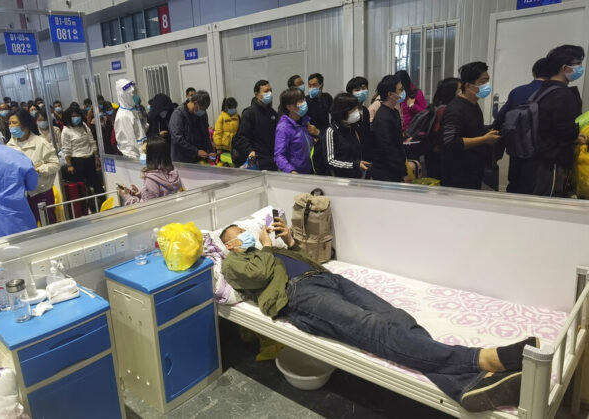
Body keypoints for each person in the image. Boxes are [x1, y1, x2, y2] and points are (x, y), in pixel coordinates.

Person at [219, 219, 538, 412]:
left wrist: (286, 241)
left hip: (328, 278)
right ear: (230, 244)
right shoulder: (232, 264)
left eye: (246, 230)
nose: (246, 233)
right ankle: (485, 359)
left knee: (395, 318)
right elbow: (260, 276)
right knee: (371, 327)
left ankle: (463, 387)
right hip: (300, 294)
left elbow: (307, 258)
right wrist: (260, 247)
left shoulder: (270, 249)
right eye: (239, 233)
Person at [518, 45, 584, 197]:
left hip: (534, 160)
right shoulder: (563, 94)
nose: (580, 68)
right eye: (577, 64)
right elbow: (564, 131)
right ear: (564, 68)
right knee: (549, 203)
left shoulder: (541, 91)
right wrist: (577, 138)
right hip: (551, 163)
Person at [492, 58, 551, 193]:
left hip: (517, 147)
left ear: (534, 72)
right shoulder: (556, 92)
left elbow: (501, 118)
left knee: (515, 184)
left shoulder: (517, 91)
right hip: (542, 152)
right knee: (538, 189)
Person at [441, 62, 500, 189]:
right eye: (483, 82)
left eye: (488, 81)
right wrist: (484, 140)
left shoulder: (473, 104)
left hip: (474, 170)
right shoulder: (455, 109)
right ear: (467, 85)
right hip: (458, 175)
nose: (487, 86)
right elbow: (450, 142)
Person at [7, 111, 60, 225]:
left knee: (49, 224)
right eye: (9, 123)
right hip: (20, 195)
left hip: (41, 192)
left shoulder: (41, 143)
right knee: (27, 227)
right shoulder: (9, 146)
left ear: (25, 124)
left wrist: (38, 170)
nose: (11, 126)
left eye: (14, 123)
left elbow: (55, 164)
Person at [117, 135, 184, 205]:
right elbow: (160, 196)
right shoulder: (173, 172)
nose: (142, 155)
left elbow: (147, 208)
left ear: (153, 156)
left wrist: (127, 197)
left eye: (144, 152)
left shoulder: (152, 180)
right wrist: (141, 194)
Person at [231, 80, 278, 170]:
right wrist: (250, 151)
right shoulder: (249, 113)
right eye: (266, 91)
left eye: (271, 91)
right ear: (256, 94)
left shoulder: (273, 113)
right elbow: (242, 137)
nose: (270, 93)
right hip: (257, 160)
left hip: (272, 160)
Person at [323, 93, 372, 178]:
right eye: (353, 109)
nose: (356, 112)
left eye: (356, 108)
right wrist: (355, 165)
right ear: (342, 111)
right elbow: (330, 161)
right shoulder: (331, 131)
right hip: (340, 180)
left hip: (357, 177)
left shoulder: (353, 127)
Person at [370, 75, 408, 182]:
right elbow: (388, 149)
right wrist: (403, 173)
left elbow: (398, 143)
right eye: (400, 90)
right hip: (385, 171)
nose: (403, 92)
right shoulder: (383, 117)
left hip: (395, 168)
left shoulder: (394, 112)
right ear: (390, 94)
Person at [62, 106, 105, 202]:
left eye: (78, 115)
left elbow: (92, 141)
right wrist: (69, 165)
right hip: (77, 160)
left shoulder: (84, 126)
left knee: (96, 182)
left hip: (89, 157)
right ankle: (88, 206)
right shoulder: (66, 130)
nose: (76, 118)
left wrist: (96, 157)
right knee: (83, 186)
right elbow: (66, 149)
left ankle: (104, 202)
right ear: (69, 117)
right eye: (73, 116)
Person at [425, 77, 461, 180]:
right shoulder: (444, 110)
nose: (462, 92)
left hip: (434, 153)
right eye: (459, 89)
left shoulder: (440, 106)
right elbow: (438, 132)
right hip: (438, 155)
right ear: (451, 92)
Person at [274, 88, 316, 174]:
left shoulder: (305, 122)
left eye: (303, 99)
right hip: (295, 175)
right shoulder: (284, 127)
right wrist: (291, 171)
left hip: (310, 172)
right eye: (299, 101)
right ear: (289, 107)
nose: (304, 103)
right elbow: (279, 155)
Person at [169, 90, 215, 163]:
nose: (203, 111)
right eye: (202, 109)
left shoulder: (202, 114)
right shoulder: (178, 114)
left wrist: (209, 151)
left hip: (197, 158)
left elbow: (205, 134)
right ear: (195, 103)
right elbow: (177, 138)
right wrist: (196, 151)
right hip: (181, 159)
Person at [114, 78, 148, 159]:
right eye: (133, 93)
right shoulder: (123, 116)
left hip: (143, 152)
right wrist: (137, 159)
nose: (136, 96)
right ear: (125, 95)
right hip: (135, 157)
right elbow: (128, 145)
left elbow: (140, 131)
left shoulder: (132, 110)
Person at [345, 76, 374, 162]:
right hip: (351, 157)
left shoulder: (365, 110)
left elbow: (366, 134)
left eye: (364, 88)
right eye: (357, 90)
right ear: (350, 93)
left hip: (365, 155)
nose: (361, 91)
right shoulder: (346, 111)